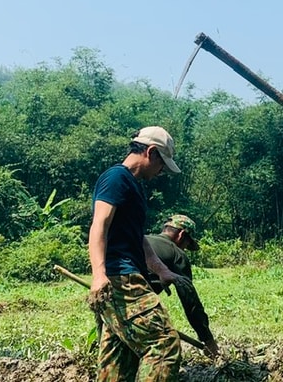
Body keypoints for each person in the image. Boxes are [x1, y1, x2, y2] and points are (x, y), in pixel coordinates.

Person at [88, 127, 186, 382]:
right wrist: (99, 275)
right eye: (162, 165)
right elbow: (100, 224)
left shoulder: (134, 186)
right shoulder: (116, 178)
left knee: (118, 362)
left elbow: (136, 236)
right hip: (121, 279)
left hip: (124, 276)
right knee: (164, 345)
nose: (161, 172)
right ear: (151, 152)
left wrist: (159, 268)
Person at [146, 214, 220, 358]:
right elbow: (191, 302)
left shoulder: (144, 240)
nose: (185, 249)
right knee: (166, 347)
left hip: (111, 300)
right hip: (137, 305)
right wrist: (208, 339)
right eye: (187, 244)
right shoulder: (177, 253)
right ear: (181, 235)